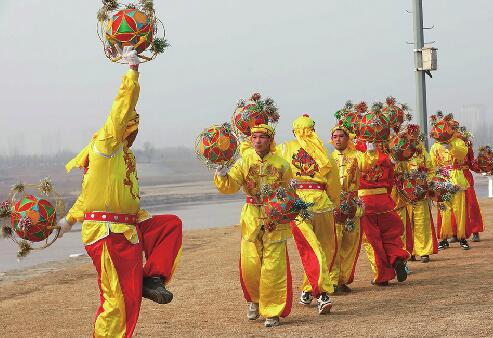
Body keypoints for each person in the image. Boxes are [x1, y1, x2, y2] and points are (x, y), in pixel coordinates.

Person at [57, 47, 182, 338]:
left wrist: (68, 220)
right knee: (117, 301)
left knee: (169, 226)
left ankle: (151, 278)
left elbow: (89, 195)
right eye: (131, 125)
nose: (135, 131)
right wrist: (132, 72)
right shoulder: (106, 145)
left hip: (129, 227)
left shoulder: (124, 155)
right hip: (108, 233)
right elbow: (121, 107)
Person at [215, 124, 293, 327]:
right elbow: (230, 186)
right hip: (251, 216)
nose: (257, 141)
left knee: (274, 266)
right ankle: (255, 300)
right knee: (249, 264)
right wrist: (223, 175)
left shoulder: (283, 165)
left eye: (262, 137)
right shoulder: (244, 162)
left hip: (275, 218)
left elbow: (291, 195)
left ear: (270, 140)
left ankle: (272, 311)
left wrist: (287, 211)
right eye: (254, 137)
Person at [276, 114, 339, 314]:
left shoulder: (285, 148)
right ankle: (308, 288)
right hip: (322, 203)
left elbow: (272, 167)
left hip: (299, 206)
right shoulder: (323, 151)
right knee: (324, 248)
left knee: (310, 249)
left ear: (294, 131)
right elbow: (334, 183)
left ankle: (321, 294)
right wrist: (334, 203)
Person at [358, 142, 409, 286]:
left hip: (365, 202)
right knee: (390, 234)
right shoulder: (385, 159)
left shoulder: (357, 157)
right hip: (384, 200)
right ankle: (397, 257)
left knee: (372, 240)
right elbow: (391, 180)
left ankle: (382, 275)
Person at [330, 124, 363, 293]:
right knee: (334, 242)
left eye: (341, 136)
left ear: (347, 138)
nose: (338, 139)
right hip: (334, 204)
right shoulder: (328, 159)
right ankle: (332, 280)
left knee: (351, 242)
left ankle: (343, 279)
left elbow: (370, 168)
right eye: (335, 136)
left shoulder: (358, 156)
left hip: (352, 203)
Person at [430, 136, 471, 250]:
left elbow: (462, 154)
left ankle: (462, 238)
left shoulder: (459, 142)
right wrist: (433, 182)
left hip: (458, 179)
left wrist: (451, 147)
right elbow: (432, 165)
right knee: (444, 211)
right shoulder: (435, 146)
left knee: (460, 210)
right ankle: (444, 239)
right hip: (442, 180)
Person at [403, 145, 438, 262]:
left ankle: (424, 251)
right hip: (404, 194)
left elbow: (431, 169)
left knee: (422, 221)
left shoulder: (422, 152)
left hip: (420, 192)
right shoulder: (400, 152)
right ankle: (409, 251)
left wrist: (426, 184)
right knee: (406, 222)